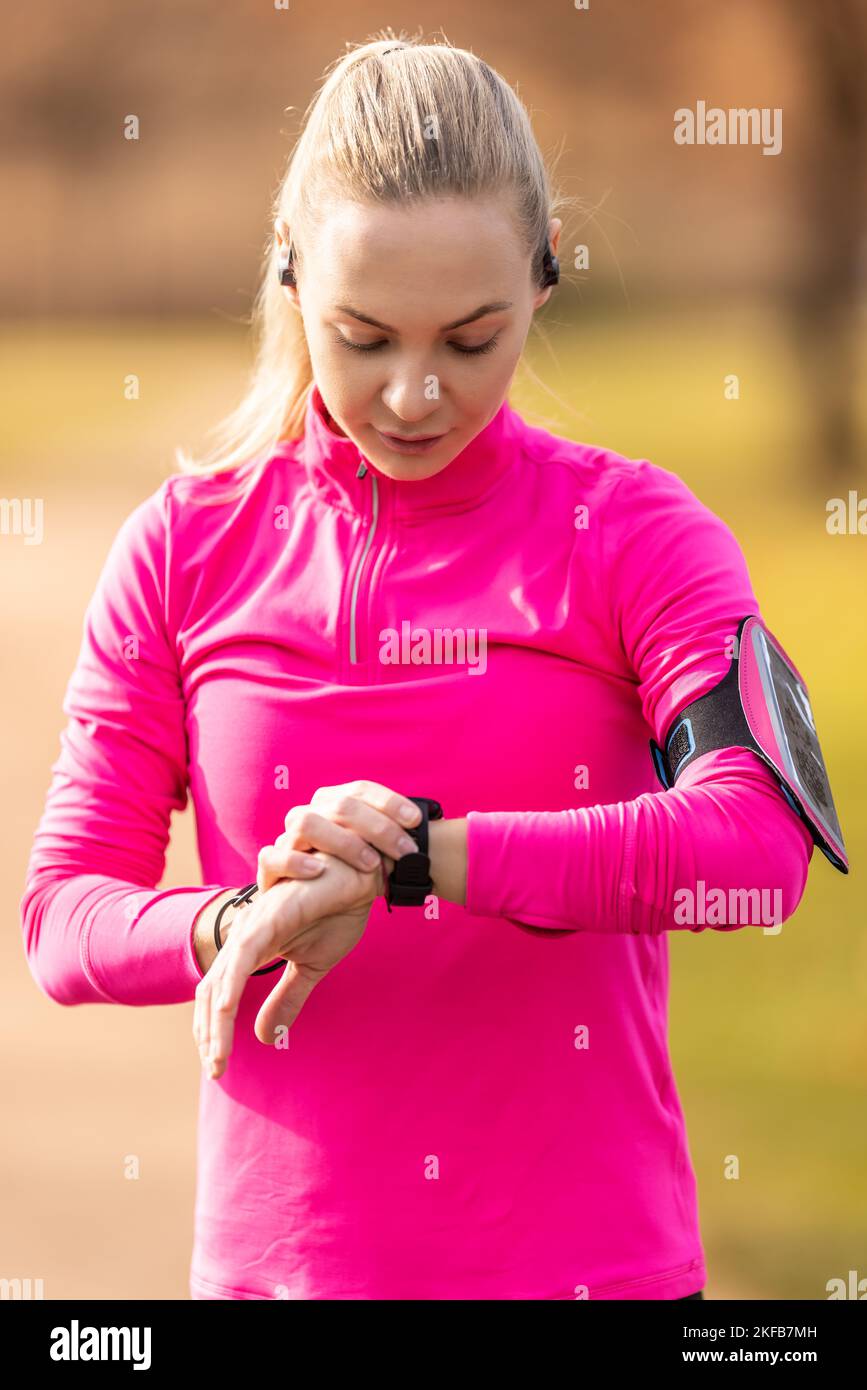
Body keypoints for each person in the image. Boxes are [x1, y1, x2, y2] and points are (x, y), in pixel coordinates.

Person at [20, 34, 814, 1301]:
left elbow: (759, 849)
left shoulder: (640, 538)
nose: (412, 393)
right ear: (289, 278)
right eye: (364, 335)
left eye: (470, 337)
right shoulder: (181, 550)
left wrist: (420, 856)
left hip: (591, 1275)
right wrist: (240, 919)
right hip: (279, 1279)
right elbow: (63, 915)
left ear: (546, 280)